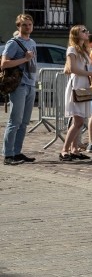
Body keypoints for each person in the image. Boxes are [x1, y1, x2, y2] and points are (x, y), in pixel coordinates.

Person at [60, 25, 92, 161]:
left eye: (87, 30)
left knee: (80, 121)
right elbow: (72, 68)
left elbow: (83, 68)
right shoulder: (72, 49)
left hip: (84, 85)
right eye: (83, 31)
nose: (87, 32)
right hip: (76, 85)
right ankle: (64, 150)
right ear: (76, 34)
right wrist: (90, 73)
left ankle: (75, 149)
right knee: (78, 121)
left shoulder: (85, 50)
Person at [2, 14, 38, 165]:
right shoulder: (13, 43)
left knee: (24, 122)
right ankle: (8, 155)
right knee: (14, 121)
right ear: (18, 27)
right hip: (19, 85)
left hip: (30, 84)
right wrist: (24, 59)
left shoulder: (32, 42)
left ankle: (17, 152)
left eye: (29, 25)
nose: (27, 27)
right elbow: (4, 64)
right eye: (24, 25)